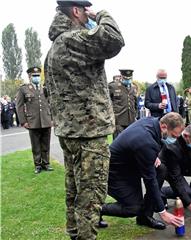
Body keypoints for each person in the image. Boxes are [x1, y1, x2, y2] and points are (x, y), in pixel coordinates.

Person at [44, 0, 124, 239]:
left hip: (70, 132)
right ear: (77, 11)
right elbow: (114, 40)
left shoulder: (55, 46)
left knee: (75, 191)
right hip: (88, 133)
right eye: (85, 11)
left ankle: (74, 234)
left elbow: (49, 92)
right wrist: (101, 14)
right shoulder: (72, 39)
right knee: (91, 195)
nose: (88, 16)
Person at [100, 112, 184, 230]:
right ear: (164, 126)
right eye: (173, 136)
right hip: (115, 173)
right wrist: (163, 212)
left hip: (129, 164)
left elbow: (140, 145)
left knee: (161, 169)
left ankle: (145, 217)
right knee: (134, 208)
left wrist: (151, 156)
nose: (174, 140)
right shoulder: (146, 142)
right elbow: (150, 180)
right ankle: (96, 209)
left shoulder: (153, 122)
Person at [157, 124, 191, 218]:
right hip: (170, 169)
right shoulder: (172, 147)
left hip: (187, 164)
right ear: (186, 135)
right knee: (186, 192)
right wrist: (190, 205)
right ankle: (161, 193)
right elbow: (176, 178)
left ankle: (188, 197)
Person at [16, 67, 53, 174]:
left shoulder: (45, 88)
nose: (36, 77)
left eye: (38, 75)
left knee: (46, 144)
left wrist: (52, 119)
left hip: (46, 120)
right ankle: (37, 165)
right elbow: (19, 106)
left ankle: (46, 163)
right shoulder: (24, 89)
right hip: (33, 122)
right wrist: (23, 121)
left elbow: (52, 104)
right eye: (34, 76)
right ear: (29, 77)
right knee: (36, 145)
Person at [108, 69, 137, 139]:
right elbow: (108, 103)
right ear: (121, 77)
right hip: (118, 120)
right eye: (126, 78)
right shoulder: (113, 86)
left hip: (131, 120)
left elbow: (135, 103)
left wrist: (136, 115)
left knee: (130, 142)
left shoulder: (133, 87)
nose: (128, 80)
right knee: (118, 142)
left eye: (130, 78)